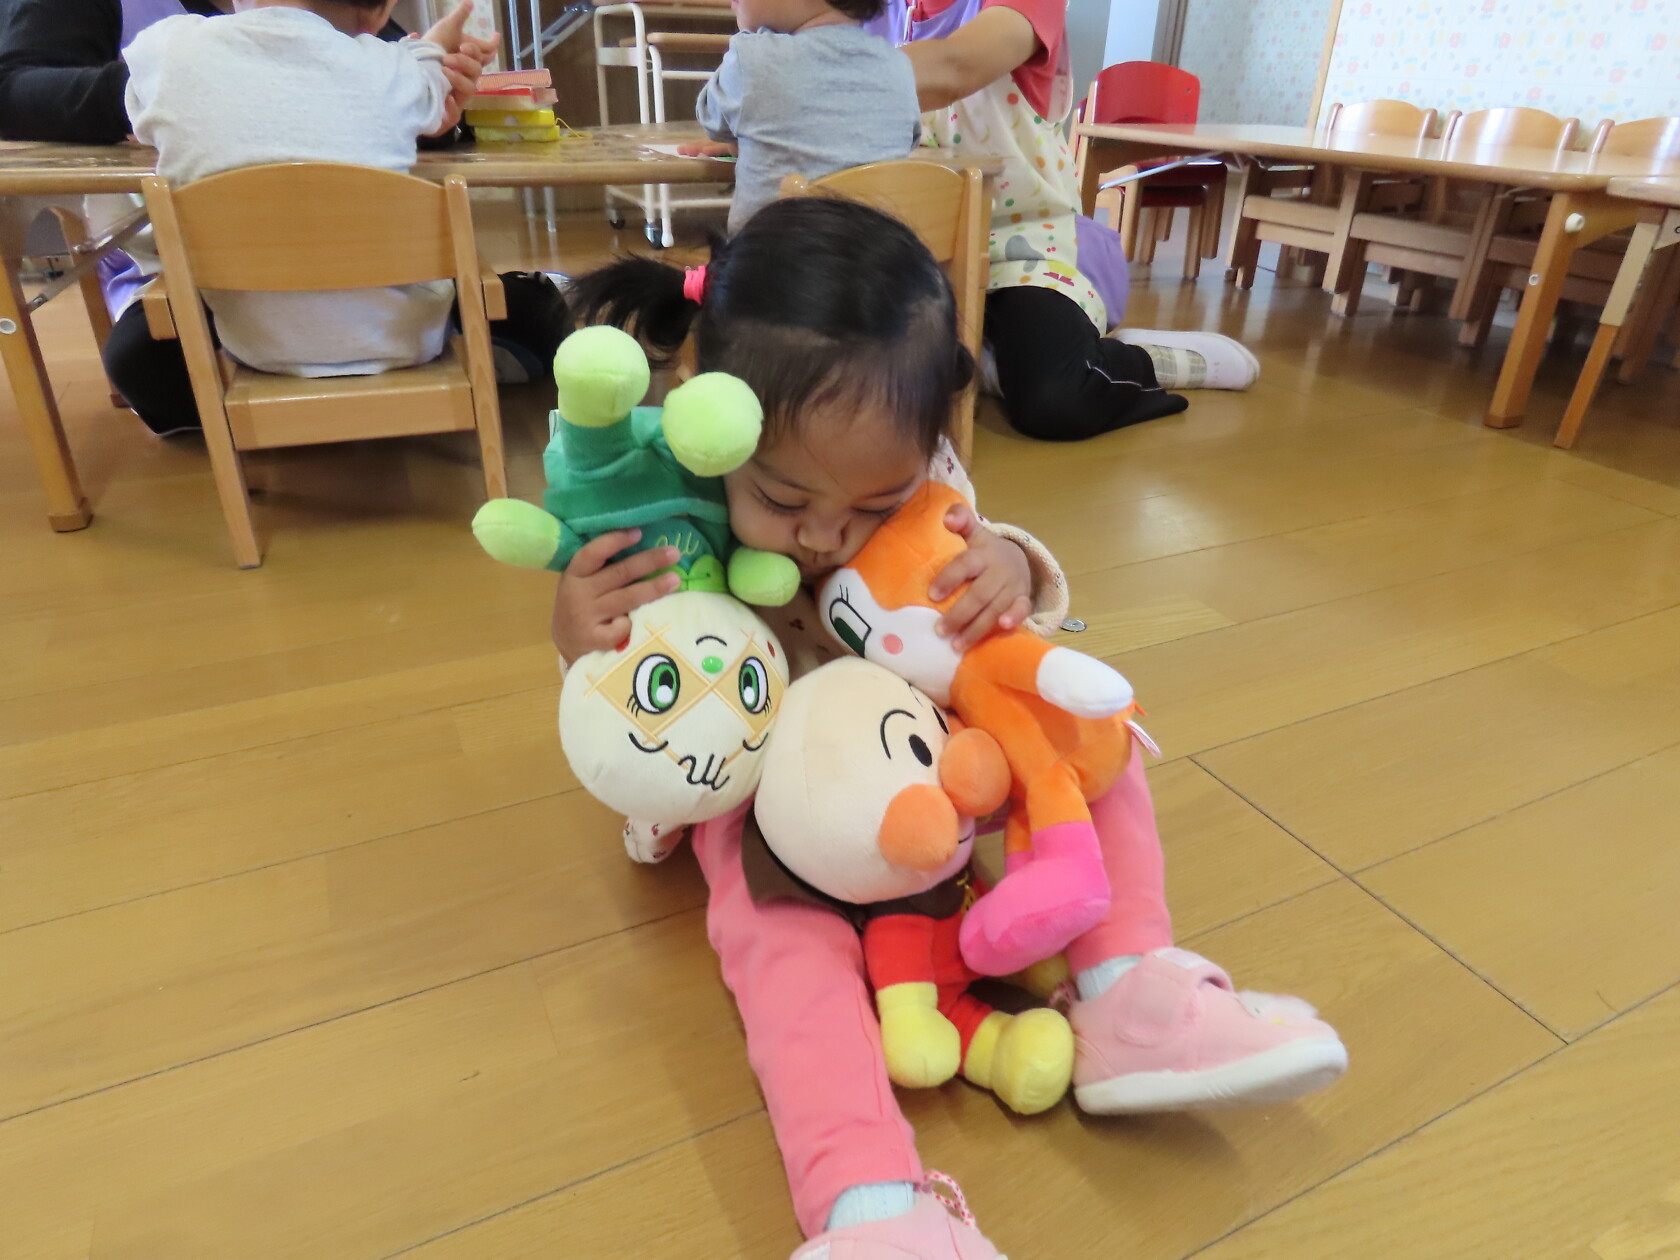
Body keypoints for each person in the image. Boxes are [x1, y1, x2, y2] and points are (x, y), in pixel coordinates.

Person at [554, 196, 1347, 1260]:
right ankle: (867, 1203)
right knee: (779, 944)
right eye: (783, 500)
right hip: (780, 804)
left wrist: (1012, 564)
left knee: (1083, 732)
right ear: (713, 415)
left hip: (935, 766)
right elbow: (630, 700)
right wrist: (581, 638)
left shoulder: (920, 477)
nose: (829, 535)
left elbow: (966, 553)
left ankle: (1129, 993)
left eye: (874, 506)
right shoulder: (671, 506)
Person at [0, 0, 561, 433]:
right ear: (380, 13)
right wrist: (428, 59)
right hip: (410, 338)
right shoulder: (389, 65)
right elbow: (421, 86)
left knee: (146, 359)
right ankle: (474, 363)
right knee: (542, 309)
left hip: (254, 346)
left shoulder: (166, 51)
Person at [862, 0, 1261, 441]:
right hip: (914, 252)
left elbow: (958, 66)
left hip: (1021, 248)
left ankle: (1130, 358)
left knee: (1054, 399)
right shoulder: (877, 11)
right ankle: (996, 358)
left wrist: (825, 67)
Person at [686, 0, 922, 234]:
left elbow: (711, 118)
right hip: (877, 253)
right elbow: (907, 140)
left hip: (775, 254)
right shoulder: (899, 66)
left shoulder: (752, 55)